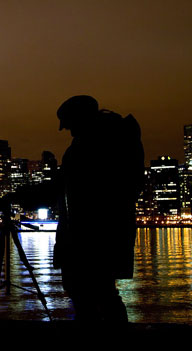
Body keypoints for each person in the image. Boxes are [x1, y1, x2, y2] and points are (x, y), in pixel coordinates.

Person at [53, 95, 145, 325]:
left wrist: (19, 197)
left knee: (91, 293)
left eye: (70, 125)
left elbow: (65, 184)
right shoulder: (113, 138)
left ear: (80, 118)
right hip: (108, 233)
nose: (69, 132)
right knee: (103, 292)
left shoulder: (92, 144)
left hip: (90, 236)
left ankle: (98, 342)